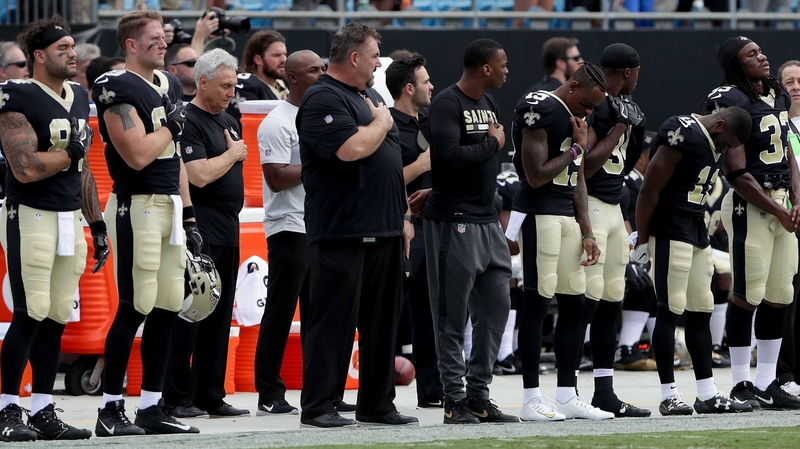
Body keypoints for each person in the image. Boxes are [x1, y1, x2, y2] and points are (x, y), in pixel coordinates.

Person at [297, 22, 417, 429]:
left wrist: (402, 217)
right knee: (333, 322)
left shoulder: (370, 95)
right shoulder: (322, 97)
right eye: (373, 58)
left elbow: (391, 163)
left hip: (384, 226)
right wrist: (382, 123)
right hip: (343, 230)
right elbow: (350, 150)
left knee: (383, 325)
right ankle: (318, 406)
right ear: (353, 57)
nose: (376, 66)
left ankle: (377, 404)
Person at [92, 10, 201, 436]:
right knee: (134, 306)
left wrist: (189, 214)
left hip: (170, 206)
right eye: (154, 38)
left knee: (169, 304)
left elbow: (172, 160)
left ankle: (152, 406)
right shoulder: (113, 85)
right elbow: (137, 153)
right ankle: (109, 408)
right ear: (131, 45)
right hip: (135, 206)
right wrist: (173, 124)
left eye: (164, 36)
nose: (164, 42)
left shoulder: (169, 83)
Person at [0, 16, 106, 442]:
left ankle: (43, 409)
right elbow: (25, 168)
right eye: (62, 48)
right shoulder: (17, 93)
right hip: (31, 213)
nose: (72, 53)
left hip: (69, 217)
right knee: (30, 313)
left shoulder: (79, 95)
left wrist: (96, 222)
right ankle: (8, 409)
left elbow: (83, 169)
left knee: (58, 316)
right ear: (39, 55)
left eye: (72, 47)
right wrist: (70, 154)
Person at [631, 106, 754, 415]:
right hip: (670, 226)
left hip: (696, 228)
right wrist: (642, 238)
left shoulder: (713, 137)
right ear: (720, 124)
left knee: (701, 310)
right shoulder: (682, 132)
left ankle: (707, 393)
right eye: (725, 143)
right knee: (669, 309)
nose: (724, 149)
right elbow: (649, 189)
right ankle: (668, 395)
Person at [423, 38, 517, 425]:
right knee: (451, 315)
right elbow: (447, 158)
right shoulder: (447, 103)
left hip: (487, 220)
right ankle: (453, 399)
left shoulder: (488, 103)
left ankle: (479, 394)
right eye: (503, 64)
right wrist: (493, 143)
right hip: (453, 220)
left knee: (497, 307)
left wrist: (488, 146)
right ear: (485, 69)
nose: (507, 70)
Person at [509, 63, 610, 421]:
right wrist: (577, 150)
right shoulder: (541, 106)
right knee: (537, 303)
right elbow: (536, 176)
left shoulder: (571, 114)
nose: (589, 112)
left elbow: (577, 179)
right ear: (572, 87)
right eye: (587, 103)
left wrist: (587, 231)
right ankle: (531, 398)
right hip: (539, 213)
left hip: (568, 215)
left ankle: (567, 394)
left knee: (575, 305)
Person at [704, 36, 800, 411]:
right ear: (735, 65)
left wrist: (795, 197)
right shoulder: (730, 98)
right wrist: (777, 209)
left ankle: (767, 382)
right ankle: (742, 382)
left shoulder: (775, 93)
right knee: (747, 297)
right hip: (751, 204)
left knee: (780, 295)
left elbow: (789, 150)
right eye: (751, 55)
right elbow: (736, 171)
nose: (762, 56)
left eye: (761, 50)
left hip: (780, 202)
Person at [162, 48, 250, 419]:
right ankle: (176, 397)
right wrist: (234, 155)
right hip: (199, 227)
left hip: (229, 226)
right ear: (202, 81)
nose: (231, 92)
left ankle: (210, 394)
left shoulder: (230, 120)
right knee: (192, 311)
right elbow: (196, 175)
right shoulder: (187, 119)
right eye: (225, 85)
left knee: (218, 315)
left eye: (234, 85)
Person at [254, 49, 326, 416]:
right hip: (289, 226)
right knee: (281, 312)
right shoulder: (277, 122)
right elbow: (277, 177)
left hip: (320, 224)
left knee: (320, 314)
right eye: (314, 70)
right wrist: (319, 161)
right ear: (293, 77)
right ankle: (268, 391)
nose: (322, 74)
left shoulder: (320, 114)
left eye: (324, 68)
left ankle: (320, 392)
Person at [581, 43, 650, 418]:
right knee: (585, 302)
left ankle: (604, 391)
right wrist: (621, 125)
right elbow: (588, 166)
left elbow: (627, 166)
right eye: (637, 72)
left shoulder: (627, 107)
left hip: (612, 205)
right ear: (628, 72)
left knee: (611, 302)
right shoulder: (595, 103)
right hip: (589, 204)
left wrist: (633, 127)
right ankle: (568, 388)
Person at [384, 54, 443, 409]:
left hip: (434, 228)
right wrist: (421, 164)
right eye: (425, 81)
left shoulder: (432, 124)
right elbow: (383, 183)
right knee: (389, 312)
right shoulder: (386, 126)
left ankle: (433, 390)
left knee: (431, 313)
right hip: (398, 228)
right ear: (409, 88)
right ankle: (379, 394)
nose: (432, 86)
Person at [777, 59, 800, 396]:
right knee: (788, 298)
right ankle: (785, 373)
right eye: (790, 81)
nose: (796, 86)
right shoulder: (778, 126)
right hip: (790, 221)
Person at [227, 30, 288, 125]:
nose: (284, 59)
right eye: (277, 55)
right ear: (258, 59)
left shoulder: (284, 83)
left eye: (284, 54)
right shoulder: (247, 85)